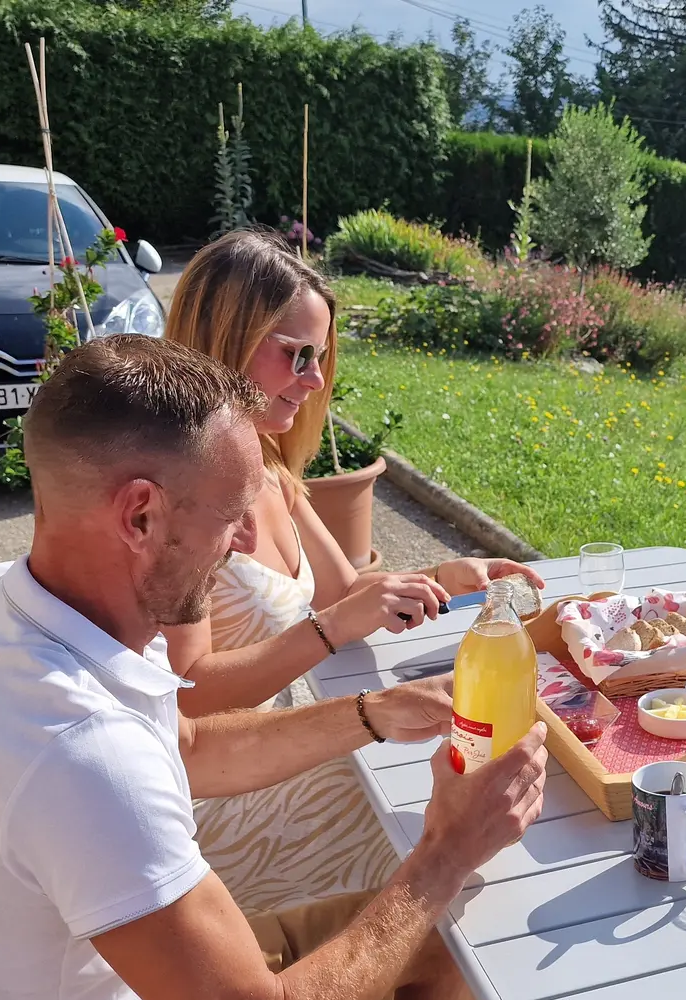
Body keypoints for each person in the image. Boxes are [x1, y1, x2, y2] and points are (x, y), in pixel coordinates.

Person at [0, 334, 547, 1000]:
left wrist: (373, 711)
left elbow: (188, 747)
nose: (247, 540)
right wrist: (447, 849)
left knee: (450, 938)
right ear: (140, 515)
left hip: (136, 999)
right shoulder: (79, 750)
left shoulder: (17, 610)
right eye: (230, 514)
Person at [156, 229, 542, 915]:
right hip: (224, 804)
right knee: (465, 849)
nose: (312, 380)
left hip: (284, 755)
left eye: (321, 357)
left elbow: (339, 593)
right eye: (295, 355)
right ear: (224, 336)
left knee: (481, 802)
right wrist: (330, 630)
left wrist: (450, 577)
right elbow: (187, 701)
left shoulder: (269, 469)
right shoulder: (180, 502)